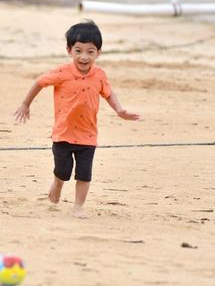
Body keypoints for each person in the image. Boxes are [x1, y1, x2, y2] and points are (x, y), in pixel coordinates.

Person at [13, 20, 139, 217]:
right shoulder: (62, 72)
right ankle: (58, 182)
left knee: (84, 174)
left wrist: (119, 110)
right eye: (78, 50)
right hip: (63, 133)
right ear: (69, 50)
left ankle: (78, 206)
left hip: (88, 135)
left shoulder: (99, 74)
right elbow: (39, 82)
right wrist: (25, 104)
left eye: (90, 51)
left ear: (99, 53)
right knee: (63, 170)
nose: (84, 56)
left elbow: (109, 93)